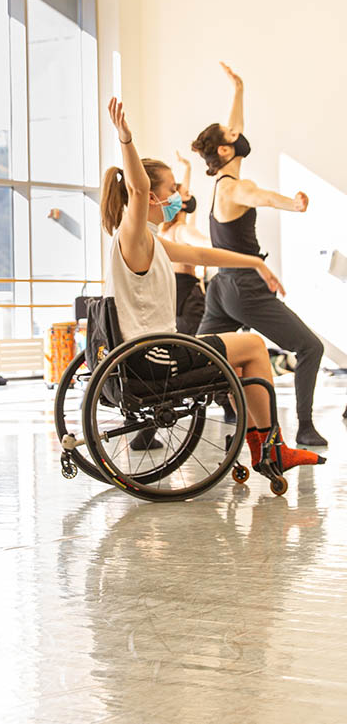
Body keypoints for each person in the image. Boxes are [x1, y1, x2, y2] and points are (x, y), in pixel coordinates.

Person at [103, 96, 323, 473]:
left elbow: (206, 256)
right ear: (152, 197)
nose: (180, 197)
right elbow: (139, 189)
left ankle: (260, 445)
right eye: (172, 190)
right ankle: (273, 448)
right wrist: (126, 140)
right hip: (155, 355)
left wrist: (255, 261)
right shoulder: (134, 234)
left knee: (240, 361)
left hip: (151, 351)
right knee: (254, 345)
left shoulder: (150, 241)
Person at [191, 62, 327, 447]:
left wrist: (238, 90)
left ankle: (159, 421)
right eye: (232, 134)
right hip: (245, 288)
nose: (238, 131)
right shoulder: (237, 187)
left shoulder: (222, 181)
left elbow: (234, 129)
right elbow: (261, 197)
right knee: (310, 347)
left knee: (200, 356)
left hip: (221, 288)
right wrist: (293, 204)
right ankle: (304, 426)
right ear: (224, 148)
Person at [160, 151, 210, 335]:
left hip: (171, 290)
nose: (189, 195)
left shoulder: (164, 231)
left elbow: (182, 194)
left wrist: (188, 168)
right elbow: (209, 245)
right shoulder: (181, 231)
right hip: (187, 291)